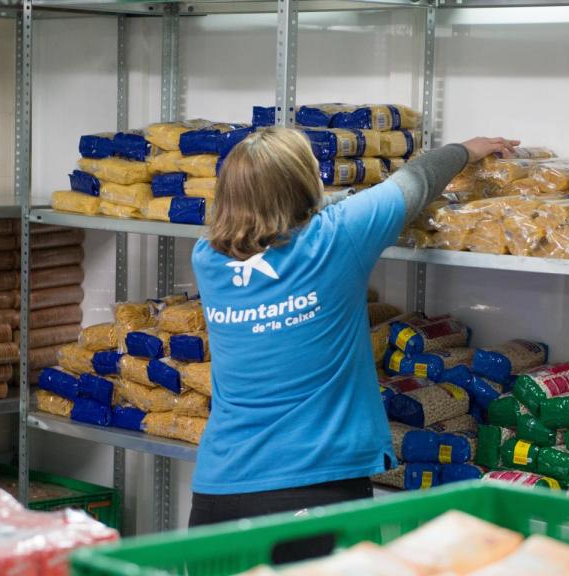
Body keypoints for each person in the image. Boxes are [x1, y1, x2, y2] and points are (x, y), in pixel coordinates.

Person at [188, 127, 517, 557]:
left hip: (216, 496)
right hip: (313, 494)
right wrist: (467, 150)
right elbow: (415, 182)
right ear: (304, 185)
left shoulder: (207, 258)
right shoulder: (336, 239)